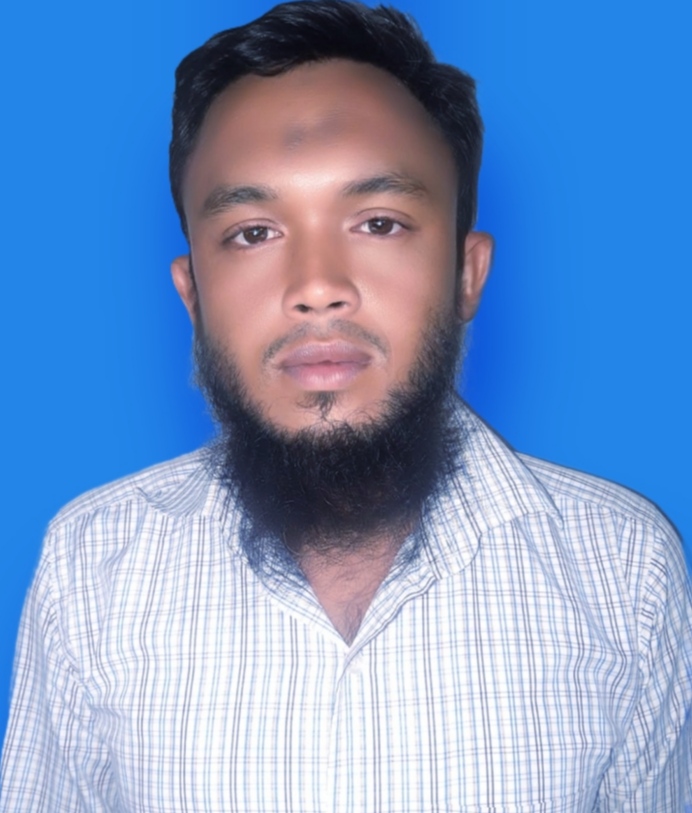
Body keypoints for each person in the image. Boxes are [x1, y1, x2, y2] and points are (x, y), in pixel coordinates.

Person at [2, 0, 690, 809]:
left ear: (466, 274)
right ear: (193, 294)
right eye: (253, 232)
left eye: (379, 222)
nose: (318, 286)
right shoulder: (91, 562)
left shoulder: (625, 568)